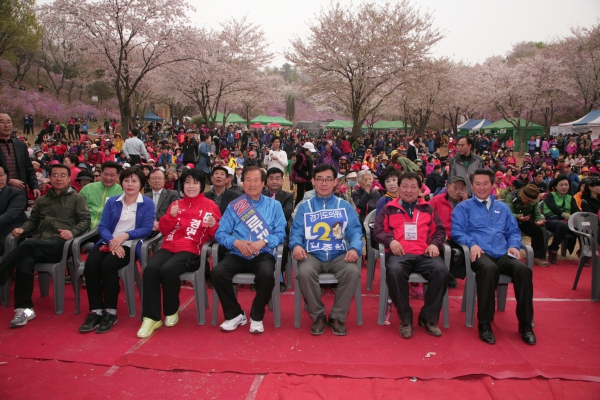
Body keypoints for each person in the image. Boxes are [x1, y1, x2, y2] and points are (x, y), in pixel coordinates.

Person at [0, 163, 91, 328]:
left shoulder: (77, 198)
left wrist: (72, 232)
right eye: (55, 175)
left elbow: (85, 221)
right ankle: (24, 309)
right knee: (24, 261)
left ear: (69, 178)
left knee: (28, 243)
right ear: (49, 177)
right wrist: (22, 229)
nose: (58, 178)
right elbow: (32, 221)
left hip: (60, 245)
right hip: (39, 243)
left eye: (62, 175)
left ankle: (2, 273)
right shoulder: (43, 199)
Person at [452, 169, 536, 345]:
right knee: (489, 270)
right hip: (479, 252)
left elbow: (513, 231)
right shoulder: (463, 207)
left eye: (485, 183)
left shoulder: (503, 207)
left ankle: (526, 324)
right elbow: (457, 232)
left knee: (523, 270)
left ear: (492, 185)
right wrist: (471, 243)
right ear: (472, 185)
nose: (481, 187)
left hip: (502, 252)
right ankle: (485, 323)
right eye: (477, 184)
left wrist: (513, 245)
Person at [137, 169, 221, 338]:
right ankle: (151, 317)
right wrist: (170, 217)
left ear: (202, 185)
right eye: (188, 182)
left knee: (168, 269)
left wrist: (212, 225)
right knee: (151, 268)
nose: (191, 186)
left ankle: (171, 310)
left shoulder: (210, 206)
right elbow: (164, 229)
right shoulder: (176, 204)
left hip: (192, 251)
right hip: (169, 247)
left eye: (195, 183)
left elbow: (217, 235)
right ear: (182, 185)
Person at [78, 167, 155, 334]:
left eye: (134, 181)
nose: (130, 184)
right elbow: (103, 226)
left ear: (141, 184)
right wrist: (112, 240)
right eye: (127, 180)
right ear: (121, 182)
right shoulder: (112, 201)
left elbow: (147, 229)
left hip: (130, 245)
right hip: (109, 241)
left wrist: (125, 236)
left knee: (108, 265)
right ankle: (96, 310)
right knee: (91, 264)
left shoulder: (147, 203)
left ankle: (110, 311)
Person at [211, 166, 287, 333]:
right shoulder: (234, 206)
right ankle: (235, 314)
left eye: (256, 180)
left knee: (267, 275)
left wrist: (264, 241)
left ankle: (256, 315)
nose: (252, 184)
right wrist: (236, 242)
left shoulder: (274, 206)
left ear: (263, 183)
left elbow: (281, 233)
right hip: (238, 253)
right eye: (248, 180)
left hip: (263, 253)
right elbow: (221, 233)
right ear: (242, 182)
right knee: (217, 273)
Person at [374, 172, 449, 339]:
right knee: (394, 271)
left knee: (441, 271)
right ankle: (405, 319)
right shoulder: (389, 208)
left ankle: (428, 318)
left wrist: (434, 244)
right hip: (399, 253)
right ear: (399, 188)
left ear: (419, 189)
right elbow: (378, 231)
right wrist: (390, 241)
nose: (409, 190)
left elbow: (439, 231)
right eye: (405, 186)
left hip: (424, 253)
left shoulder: (428, 208)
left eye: (413, 186)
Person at [290, 164, 363, 336]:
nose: (324, 183)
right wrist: (297, 245)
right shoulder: (304, 207)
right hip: (312, 254)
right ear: (313, 181)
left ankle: (337, 317)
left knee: (352, 272)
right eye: (320, 179)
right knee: (305, 272)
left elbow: (355, 231)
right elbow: (296, 233)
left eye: (328, 179)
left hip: (339, 254)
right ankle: (318, 316)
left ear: (335, 182)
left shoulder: (344, 206)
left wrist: (354, 248)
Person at [263, 167, 294, 292]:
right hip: (260, 230)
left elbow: (286, 215)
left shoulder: (288, 196)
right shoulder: (260, 195)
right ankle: (260, 277)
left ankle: (279, 279)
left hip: (280, 231)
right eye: (271, 178)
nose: (274, 181)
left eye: (277, 178)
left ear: (282, 180)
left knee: (284, 247)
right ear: (266, 180)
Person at [505, 184, 549, 266]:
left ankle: (538, 257)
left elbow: (537, 213)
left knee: (538, 231)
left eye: (532, 201)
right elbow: (507, 213)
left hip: (524, 222)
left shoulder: (533, 201)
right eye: (529, 201)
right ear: (522, 195)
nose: (530, 203)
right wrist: (518, 216)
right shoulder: (511, 197)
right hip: (510, 222)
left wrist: (538, 220)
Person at [542, 174, 580, 264]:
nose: (564, 187)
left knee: (582, 226)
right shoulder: (550, 195)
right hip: (552, 220)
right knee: (562, 226)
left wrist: (576, 215)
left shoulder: (570, 198)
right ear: (556, 186)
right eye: (561, 185)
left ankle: (583, 252)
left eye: (566, 185)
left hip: (567, 221)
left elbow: (575, 210)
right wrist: (563, 214)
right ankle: (553, 249)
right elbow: (554, 208)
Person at [0, 113, 40, 199]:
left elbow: (28, 169)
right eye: (2, 122)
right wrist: (8, 180)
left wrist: (34, 186)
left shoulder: (20, 145)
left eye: (9, 122)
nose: (6, 125)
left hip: (19, 192)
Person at [79, 162, 123, 230]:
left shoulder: (122, 192)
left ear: (117, 176)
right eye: (105, 174)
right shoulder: (87, 188)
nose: (108, 178)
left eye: (112, 175)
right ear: (101, 173)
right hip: (84, 228)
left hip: (109, 230)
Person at [0, 163, 28, 255]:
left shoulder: (17, 194)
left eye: (1, 175)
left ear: (6, 176)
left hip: (7, 235)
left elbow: (10, 215)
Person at [293, 142, 316, 207]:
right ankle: (296, 209)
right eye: (310, 151)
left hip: (308, 179)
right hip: (302, 180)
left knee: (311, 194)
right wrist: (304, 173)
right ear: (306, 150)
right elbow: (296, 167)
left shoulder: (308, 157)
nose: (311, 152)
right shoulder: (301, 156)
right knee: (300, 196)